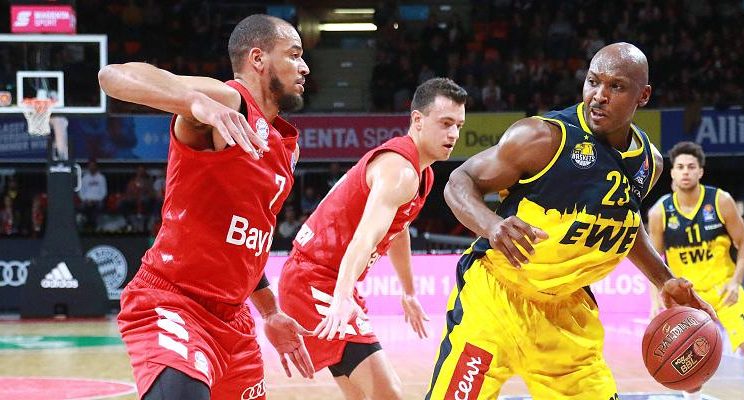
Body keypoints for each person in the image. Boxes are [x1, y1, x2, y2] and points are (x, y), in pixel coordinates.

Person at [425, 43, 716, 400]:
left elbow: (625, 222)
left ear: (643, 96)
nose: (599, 95)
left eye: (616, 86)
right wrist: (491, 224)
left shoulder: (648, 163)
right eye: (593, 82)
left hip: (567, 312)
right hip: (494, 298)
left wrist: (664, 279)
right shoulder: (541, 137)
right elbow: (459, 181)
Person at [98, 14, 314, 400]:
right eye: (294, 55)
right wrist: (195, 103)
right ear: (258, 58)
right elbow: (113, 76)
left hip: (233, 321)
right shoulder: (228, 100)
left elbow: (246, 243)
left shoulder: (286, 146)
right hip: (174, 301)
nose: (305, 67)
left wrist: (270, 312)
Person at [279, 78, 467, 400]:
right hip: (315, 280)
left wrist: (408, 291)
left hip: (326, 278)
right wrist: (341, 296)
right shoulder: (400, 171)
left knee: (362, 396)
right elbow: (364, 239)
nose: (453, 134)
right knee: (388, 392)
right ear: (418, 120)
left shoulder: (421, 172)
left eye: (459, 126)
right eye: (445, 123)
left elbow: (398, 230)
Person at [648, 141, 744, 400]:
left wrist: (736, 282)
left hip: (724, 291)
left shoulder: (720, 201)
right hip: (687, 298)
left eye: (691, 167)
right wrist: (655, 301)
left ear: (700, 171)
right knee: (686, 360)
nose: (686, 171)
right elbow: (655, 262)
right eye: (680, 167)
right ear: (672, 173)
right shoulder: (660, 212)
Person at [77, 159, 107, 231]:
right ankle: (86, 226)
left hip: (98, 201)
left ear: (96, 167)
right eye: (90, 166)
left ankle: (93, 226)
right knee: (82, 208)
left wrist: (95, 200)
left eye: (93, 166)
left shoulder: (101, 178)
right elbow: (81, 192)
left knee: (97, 208)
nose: (92, 167)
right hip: (86, 201)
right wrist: (86, 200)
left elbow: (104, 192)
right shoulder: (84, 178)